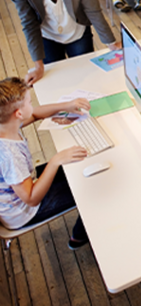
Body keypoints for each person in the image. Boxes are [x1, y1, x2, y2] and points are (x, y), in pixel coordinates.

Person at [0, 77, 90, 250]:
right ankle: (79, 236)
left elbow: (34, 114)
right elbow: (31, 198)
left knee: (77, 168)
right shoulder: (9, 155)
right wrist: (55, 161)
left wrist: (67, 105)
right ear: (18, 113)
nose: (32, 105)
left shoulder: (6, 125)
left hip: (25, 184)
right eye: (29, 102)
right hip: (24, 211)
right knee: (88, 187)